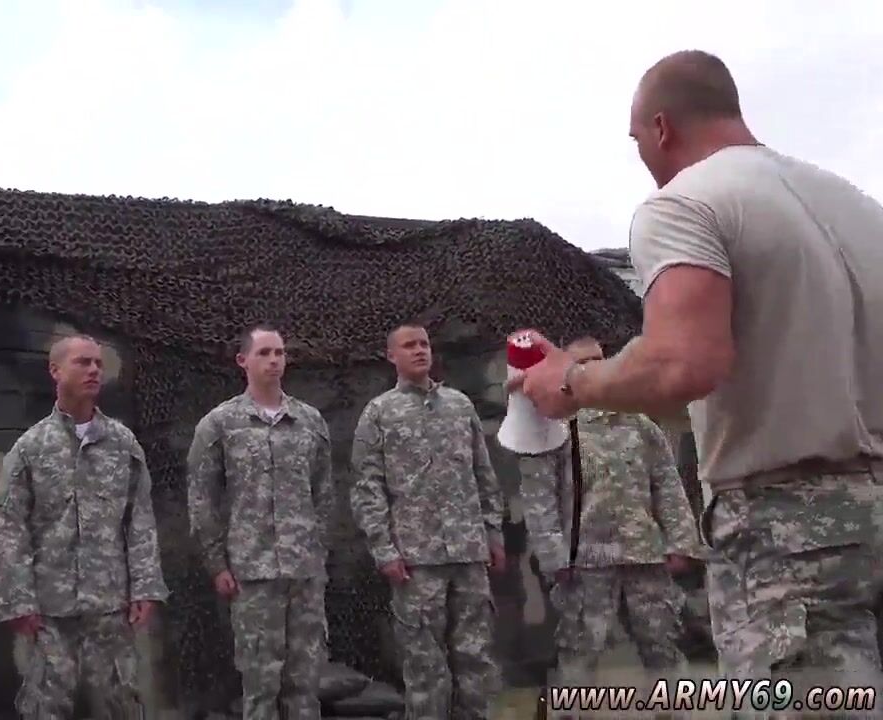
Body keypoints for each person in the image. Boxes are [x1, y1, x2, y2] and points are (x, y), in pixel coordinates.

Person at [508, 49, 883, 692]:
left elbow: (682, 362)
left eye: (636, 140)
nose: (643, 157)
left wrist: (570, 381)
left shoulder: (686, 204)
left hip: (792, 533)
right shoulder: (860, 208)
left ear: (661, 127)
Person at [0, 334, 168, 719]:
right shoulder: (31, 448)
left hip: (110, 603)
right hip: (50, 608)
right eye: (83, 362)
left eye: (98, 363)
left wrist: (145, 586)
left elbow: (139, 519)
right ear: (55, 370)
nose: (93, 370)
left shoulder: (122, 444)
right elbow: (11, 528)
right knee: (47, 705)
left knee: (121, 701)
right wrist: (16, 600)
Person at [514, 341, 704, 686]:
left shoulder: (640, 426)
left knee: (663, 645)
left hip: (644, 555)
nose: (590, 368)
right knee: (580, 652)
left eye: (598, 361)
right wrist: (554, 555)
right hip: (585, 562)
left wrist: (681, 542)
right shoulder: (553, 429)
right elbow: (539, 498)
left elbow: (667, 484)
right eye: (581, 362)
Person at [349, 322, 506, 719]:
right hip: (416, 561)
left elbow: (483, 473)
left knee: (476, 658)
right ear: (391, 356)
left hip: (468, 554)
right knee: (424, 664)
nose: (419, 350)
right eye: (409, 345)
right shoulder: (379, 413)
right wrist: (384, 550)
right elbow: (367, 488)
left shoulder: (460, 406)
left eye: (424, 344)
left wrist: (493, 532)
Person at [186, 325, 334, 718]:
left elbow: (323, 494)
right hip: (252, 574)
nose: (274, 360)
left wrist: (317, 553)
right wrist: (217, 563)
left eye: (280, 353)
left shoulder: (309, 421)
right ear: (243, 361)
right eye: (264, 353)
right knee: (260, 685)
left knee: (305, 683)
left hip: (304, 574)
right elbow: (202, 499)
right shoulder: (220, 425)